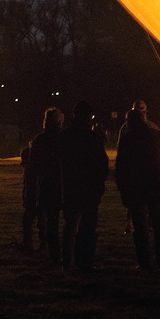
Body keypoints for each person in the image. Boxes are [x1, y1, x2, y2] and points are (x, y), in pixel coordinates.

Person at [116, 106, 160, 269]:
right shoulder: (158, 136)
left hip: (137, 188)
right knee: (158, 227)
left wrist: (123, 188)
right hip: (157, 186)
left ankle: (145, 262)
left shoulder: (128, 139)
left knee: (140, 227)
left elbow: (121, 166)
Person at [59, 100, 110, 270]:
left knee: (70, 226)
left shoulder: (65, 136)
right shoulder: (91, 137)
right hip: (88, 188)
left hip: (71, 187)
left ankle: (67, 260)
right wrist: (99, 184)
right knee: (87, 227)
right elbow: (102, 163)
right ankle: (85, 261)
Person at [27, 109, 66, 263]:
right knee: (69, 221)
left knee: (50, 220)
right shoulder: (64, 138)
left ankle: (51, 251)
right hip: (64, 184)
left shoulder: (40, 140)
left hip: (47, 184)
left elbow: (33, 166)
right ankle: (67, 251)